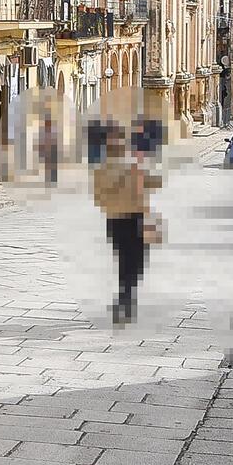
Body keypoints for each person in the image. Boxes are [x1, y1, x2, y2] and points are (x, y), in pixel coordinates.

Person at [92, 126, 152, 325]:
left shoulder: (132, 162)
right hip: (120, 218)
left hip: (133, 217)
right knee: (127, 259)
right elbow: (99, 196)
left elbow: (144, 190)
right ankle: (126, 299)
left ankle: (127, 298)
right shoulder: (106, 167)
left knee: (133, 260)